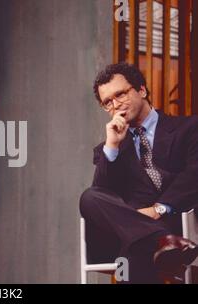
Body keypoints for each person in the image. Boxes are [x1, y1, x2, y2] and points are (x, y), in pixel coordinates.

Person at [80, 62, 198, 283]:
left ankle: (159, 240)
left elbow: (194, 175)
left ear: (141, 90)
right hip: (133, 233)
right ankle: (159, 240)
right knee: (89, 197)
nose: (116, 105)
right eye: (108, 102)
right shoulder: (107, 149)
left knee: (134, 255)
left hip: (176, 222)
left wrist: (159, 209)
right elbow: (102, 198)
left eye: (120, 94)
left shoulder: (188, 128)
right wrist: (113, 146)